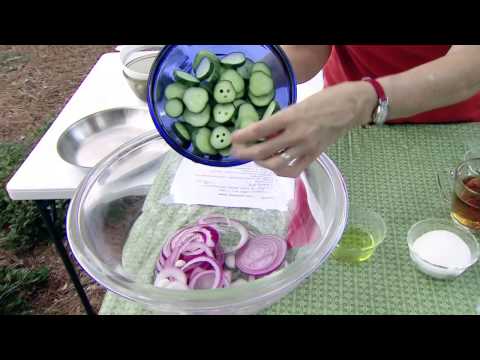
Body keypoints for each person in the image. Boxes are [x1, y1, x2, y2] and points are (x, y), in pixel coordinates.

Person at [231, 45, 480, 178]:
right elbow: (308, 49)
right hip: (345, 124)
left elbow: (471, 64)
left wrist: (362, 102)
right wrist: (254, 74)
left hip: (449, 127)